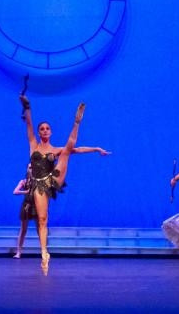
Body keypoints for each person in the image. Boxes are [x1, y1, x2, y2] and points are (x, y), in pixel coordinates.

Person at [20, 95, 109, 275]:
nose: (45, 131)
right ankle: (44, 253)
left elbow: (77, 149)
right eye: (42, 129)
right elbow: (29, 124)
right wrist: (27, 106)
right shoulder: (33, 145)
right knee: (42, 219)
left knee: (67, 150)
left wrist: (96, 149)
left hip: (53, 179)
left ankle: (77, 122)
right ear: (39, 133)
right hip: (38, 186)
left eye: (47, 128)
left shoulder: (55, 150)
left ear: (51, 132)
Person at [12, 163, 35, 259]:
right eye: (30, 168)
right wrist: (25, 192)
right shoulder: (23, 182)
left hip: (36, 206)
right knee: (23, 229)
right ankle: (18, 252)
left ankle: (44, 251)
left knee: (41, 229)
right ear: (27, 169)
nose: (31, 169)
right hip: (26, 206)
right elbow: (15, 191)